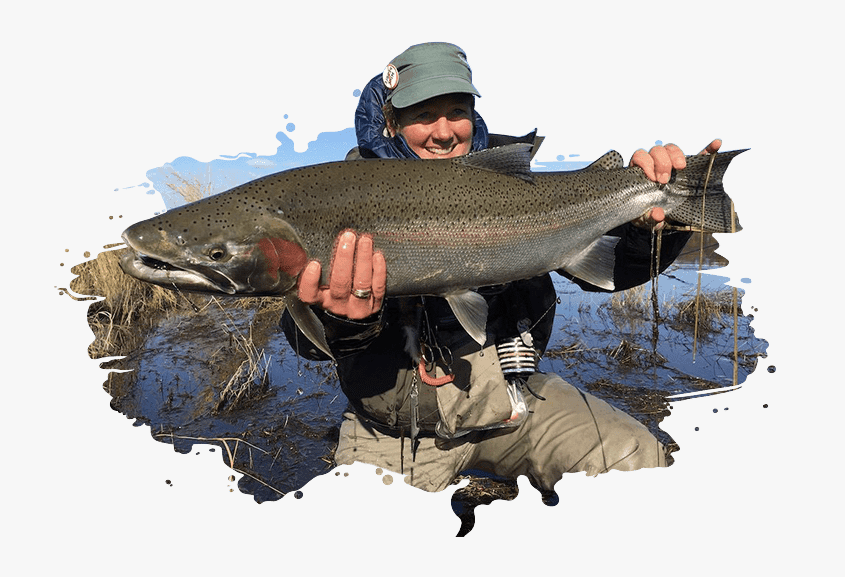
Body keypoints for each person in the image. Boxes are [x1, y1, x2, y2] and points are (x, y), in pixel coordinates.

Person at [282, 42, 720, 493]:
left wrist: (658, 225)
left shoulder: (512, 181)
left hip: (513, 408)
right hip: (393, 434)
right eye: (423, 116)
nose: (444, 132)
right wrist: (342, 323)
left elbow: (613, 269)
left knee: (642, 459)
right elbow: (304, 342)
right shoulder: (344, 198)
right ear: (391, 124)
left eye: (456, 111)